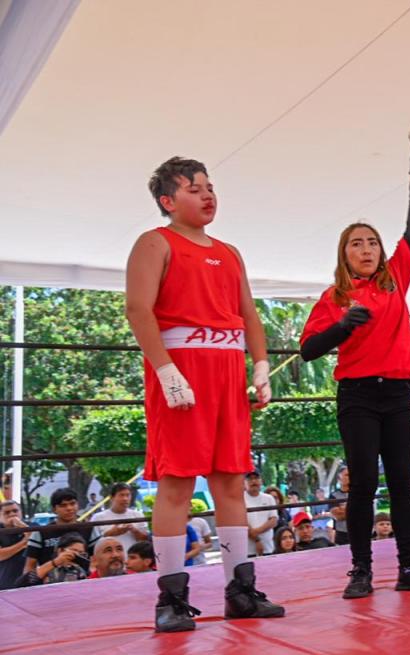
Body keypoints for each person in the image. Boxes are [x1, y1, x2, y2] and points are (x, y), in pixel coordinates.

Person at [126, 156, 283, 631]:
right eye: (194, 189)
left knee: (231, 480)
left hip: (227, 371)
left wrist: (260, 366)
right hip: (183, 368)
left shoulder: (230, 252)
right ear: (168, 200)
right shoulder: (155, 242)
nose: (207, 194)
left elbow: (248, 314)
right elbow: (138, 309)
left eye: (209, 186)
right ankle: (171, 600)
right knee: (176, 481)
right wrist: (166, 371)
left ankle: (241, 591)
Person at [299, 141, 410, 600]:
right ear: (344, 254)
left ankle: (409, 566)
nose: (366, 249)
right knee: (362, 484)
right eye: (356, 243)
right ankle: (360, 570)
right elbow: (308, 350)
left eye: (372, 242)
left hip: (398, 393)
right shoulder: (335, 297)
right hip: (358, 395)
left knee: (402, 483)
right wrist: (342, 327)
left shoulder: (396, 277)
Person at [24, 488, 96, 575]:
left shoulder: (90, 529)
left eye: (72, 503)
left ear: (78, 505)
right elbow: (29, 566)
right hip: (49, 581)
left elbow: (96, 562)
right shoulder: (40, 532)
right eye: (63, 505)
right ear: (54, 509)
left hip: (84, 581)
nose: (69, 508)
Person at [91, 482, 148, 551]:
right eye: (121, 495)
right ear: (112, 498)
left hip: (133, 556)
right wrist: (110, 533)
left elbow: (146, 541)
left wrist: (134, 530)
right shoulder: (98, 517)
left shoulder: (138, 515)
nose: (125, 499)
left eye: (128, 495)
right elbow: (92, 544)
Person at [243, 471, 278, 558]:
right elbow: (241, 522)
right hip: (247, 550)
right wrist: (257, 540)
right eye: (250, 479)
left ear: (261, 481)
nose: (253, 481)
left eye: (256, 478)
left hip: (268, 548)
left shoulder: (269, 498)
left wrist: (255, 532)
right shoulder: (240, 499)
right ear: (244, 482)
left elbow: (273, 520)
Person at [0, 500, 31, 590]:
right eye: (7, 512)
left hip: (30, 581)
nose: (12, 514)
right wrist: (24, 543)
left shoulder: (32, 525)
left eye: (15, 511)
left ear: (21, 512)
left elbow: (35, 540)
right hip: (5, 583)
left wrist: (23, 527)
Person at [330, 467, 351, 546]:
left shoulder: (359, 493)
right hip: (342, 535)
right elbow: (338, 516)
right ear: (339, 478)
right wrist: (354, 508)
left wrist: (344, 508)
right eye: (347, 475)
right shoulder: (333, 495)